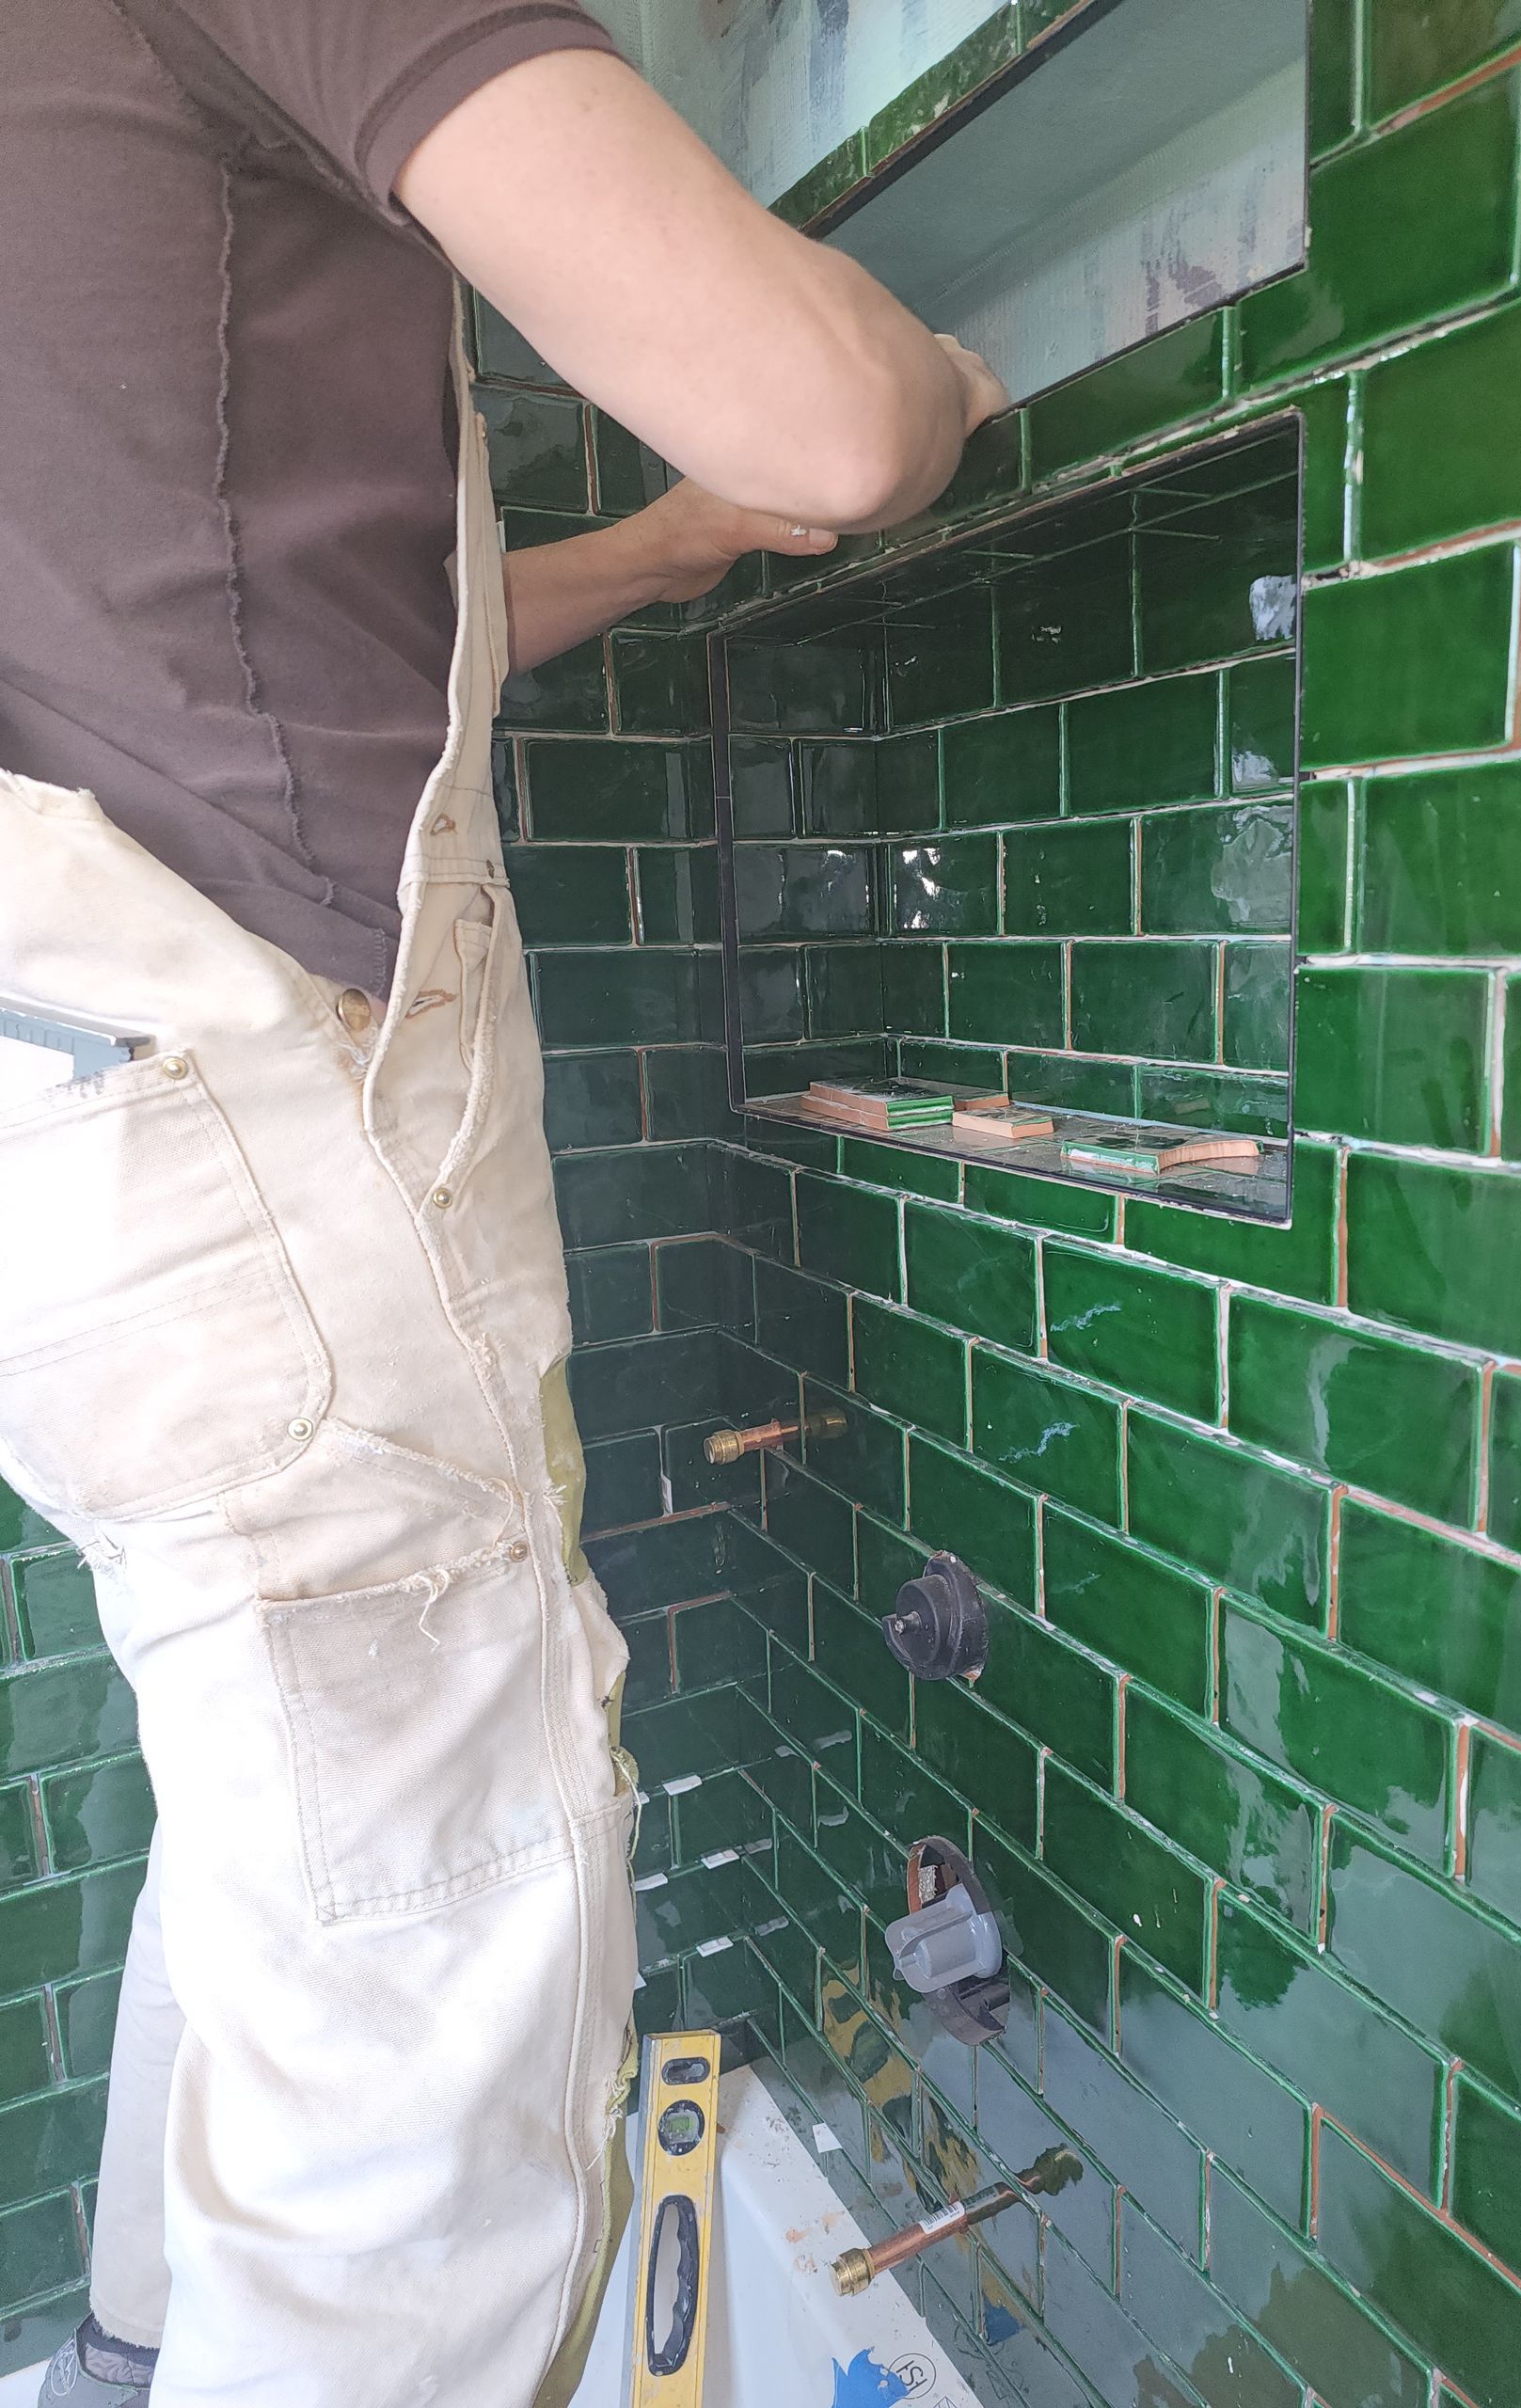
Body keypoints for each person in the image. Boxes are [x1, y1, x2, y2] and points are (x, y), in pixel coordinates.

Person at [0, 8, 1006, 2403]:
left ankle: (146, 2349)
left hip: (83, 1114)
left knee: (295, 1850)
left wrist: (652, 557)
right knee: (432, 2032)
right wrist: (939, 374)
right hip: (262, 1132)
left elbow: (259, 599)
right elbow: (840, 416)